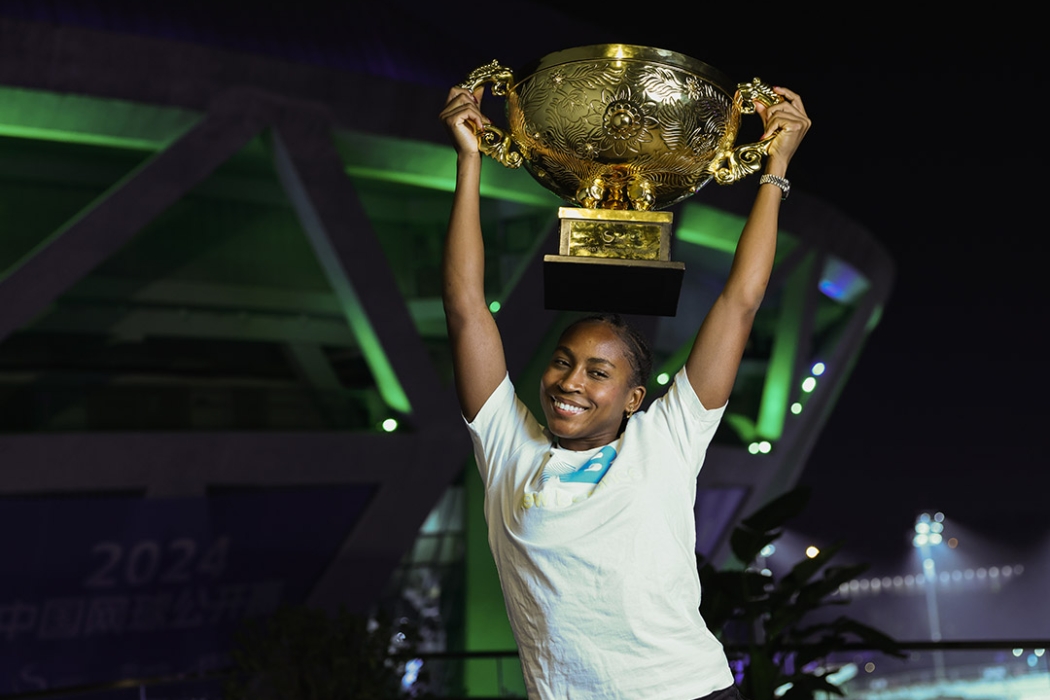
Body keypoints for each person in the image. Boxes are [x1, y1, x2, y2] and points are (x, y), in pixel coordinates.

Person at [440, 82, 810, 700]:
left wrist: (777, 167)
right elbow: (465, 307)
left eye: (597, 372)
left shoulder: (667, 438)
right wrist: (469, 156)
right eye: (563, 362)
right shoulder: (509, 446)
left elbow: (740, 303)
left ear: (634, 397)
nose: (570, 382)